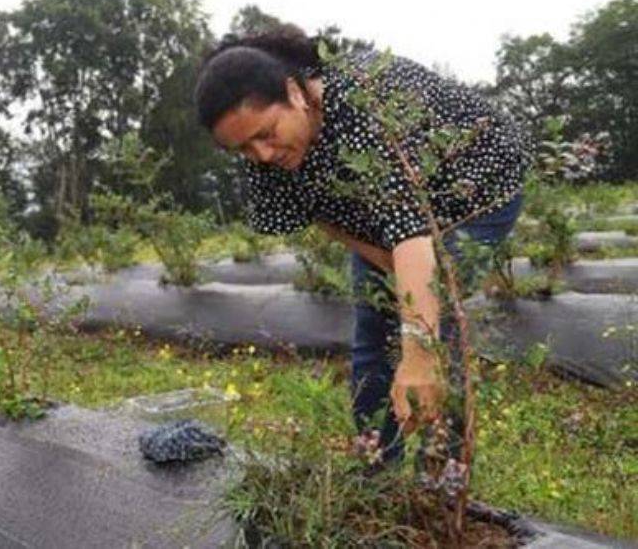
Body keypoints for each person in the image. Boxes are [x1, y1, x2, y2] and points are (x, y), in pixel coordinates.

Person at [193, 26, 530, 463]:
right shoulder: (264, 156)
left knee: (435, 329)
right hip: (386, 217)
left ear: (294, 93)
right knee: (374, 329)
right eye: (243, 149)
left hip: (476, 191)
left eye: (267, 133)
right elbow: (321, 215)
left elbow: (412, 236)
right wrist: (383, 260)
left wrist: (418, 352)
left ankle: (443, 479)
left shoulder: (362, 101)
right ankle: (378, 469)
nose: (262, 155)